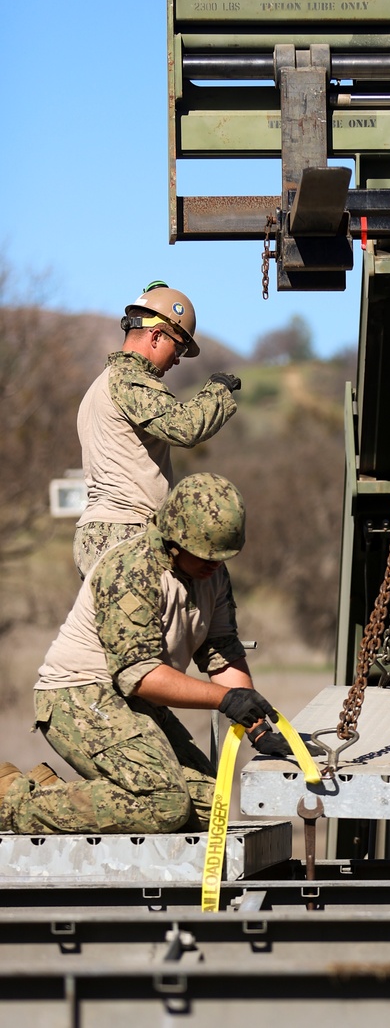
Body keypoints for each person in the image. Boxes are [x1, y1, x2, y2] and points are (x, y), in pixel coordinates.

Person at [0, 473, 291, 836]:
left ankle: (50, 795)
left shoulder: (212, 573)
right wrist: (226, 700)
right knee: (165, 802)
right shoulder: (129, 570)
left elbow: (221, 651)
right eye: (205, 554)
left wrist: (257, 724)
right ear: (174, 539)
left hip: (136, 704)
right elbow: (141, 676)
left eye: (221, 556)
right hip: (78, 695)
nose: (214, 564)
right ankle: (13, 803)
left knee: (207, 804)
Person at [73, 280, 242, 578]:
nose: (177, 359)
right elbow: (185, 427)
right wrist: (218, 392)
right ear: (155, 336)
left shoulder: (101, 385)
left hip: (107, 533)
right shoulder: (128, 379)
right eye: (177, 347)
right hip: (125, 532)